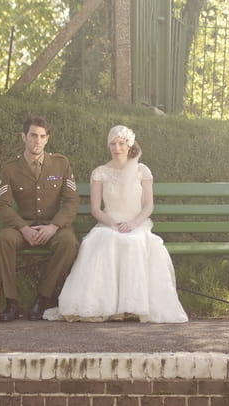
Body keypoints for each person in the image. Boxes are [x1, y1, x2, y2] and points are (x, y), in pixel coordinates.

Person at [44, 125, 188, 323]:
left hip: (136, 224)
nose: (117, 148)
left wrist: (133, 223)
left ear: (129, 145)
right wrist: (113, 223)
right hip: (108, 223)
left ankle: (133, 306)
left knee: (135, 243)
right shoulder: (100, 172)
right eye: (113, 143)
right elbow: (96, 209)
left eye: (121, 143)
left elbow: (148, 205)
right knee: (105, 239)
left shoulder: (142, 170)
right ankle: (106, 306)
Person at [0, 115, 80, 322]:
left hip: (53, 226)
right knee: (2, 240)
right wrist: (23, 228)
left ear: (47, 139)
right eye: (33, 135)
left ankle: (43, 298)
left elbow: (71, 201)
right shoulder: (11, 168)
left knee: (69, 243)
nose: (37, 141)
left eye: (42, 136)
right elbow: (2, 205)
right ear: (23, 137)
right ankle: (11, 302)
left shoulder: (61, 164)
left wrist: (54, 226)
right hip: (25, 227)